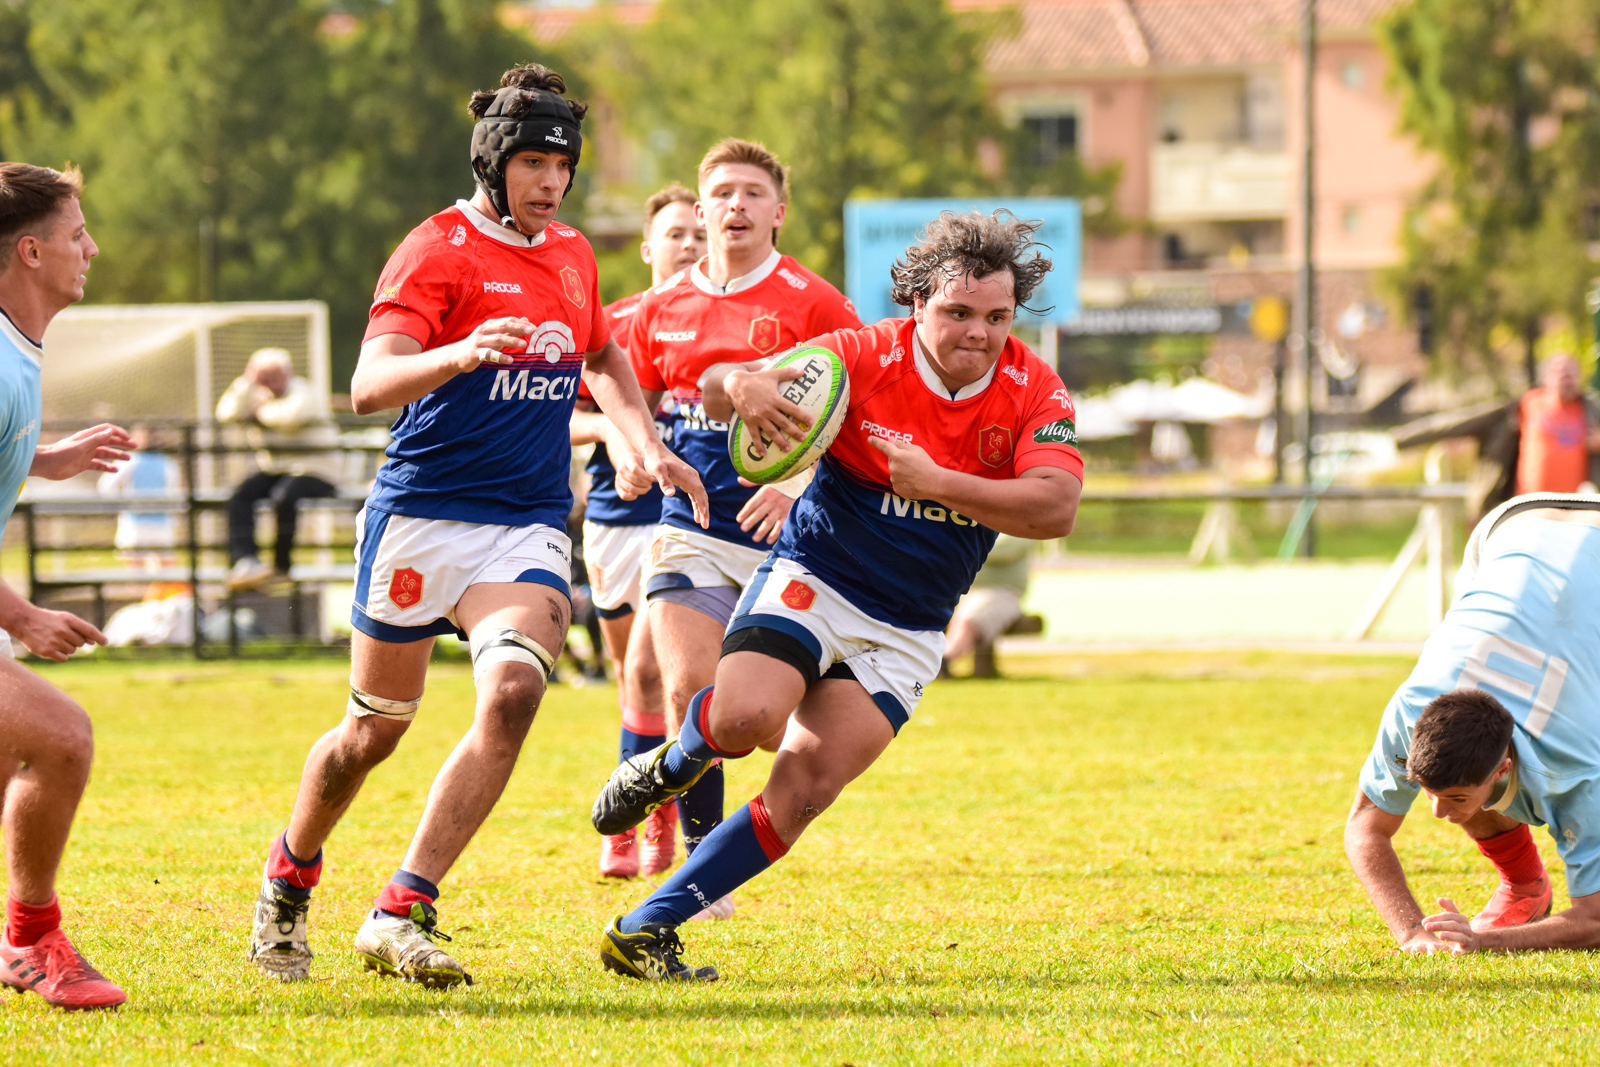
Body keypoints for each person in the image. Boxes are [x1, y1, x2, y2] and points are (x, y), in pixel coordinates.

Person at [246, 64, 706, 988]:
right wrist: (457, 351)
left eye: (562, 166)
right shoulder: (435, 251)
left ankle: (402, 906)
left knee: (511, 694)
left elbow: (606, 352)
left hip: (524, 523)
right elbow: (367, 386)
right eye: (534, 161)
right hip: (419, 516)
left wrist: (642, 439)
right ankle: (290, 876)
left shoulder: (573, 253)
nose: (551, 182)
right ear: (494, 164)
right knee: (371, 733)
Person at [591, 210, 1083, 980]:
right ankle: (674, 759)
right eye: (956, 312)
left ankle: (649, 925)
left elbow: (1055, 508)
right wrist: (744, 383)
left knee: (806, 788)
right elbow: (721, 388)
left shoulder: (1034, 389)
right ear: (916, 302)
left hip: (910, 627)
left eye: (995, 316)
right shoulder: (862, 353)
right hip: (814, 577)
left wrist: (936, 482)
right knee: (746, 717)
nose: (977, 334)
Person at [622, 139, 861, 909]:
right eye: (721, 192)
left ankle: (682, 788)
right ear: (699, 210)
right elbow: (622, 402)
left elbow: (863, 411)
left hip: (781, 537)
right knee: (690, 680)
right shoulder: (659, 309)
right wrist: (641, 452)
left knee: (750, 720)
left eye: (753, 193)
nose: (736, 205)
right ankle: (700, 858)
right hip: (686, 521)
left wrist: (798, 491)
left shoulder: (814, 301)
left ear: (779, 212)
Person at [1345, 492, 1600, 954]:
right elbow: (1365, 826)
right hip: (1511, 526)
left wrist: (1484, 941)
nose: (1438, 814)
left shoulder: (1578, 769)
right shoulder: (1411, 711)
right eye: (1428, 792)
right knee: (1459, 772)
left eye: (1454, 799)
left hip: (1546, 531)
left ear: (1506, 769)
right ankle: (1525, 885)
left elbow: (1595, 921)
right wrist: (1411, 933)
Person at [0, 161, 138, 1009]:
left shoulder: (17, 350)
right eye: (76, 232)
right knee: (61, 737)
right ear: (29, 251)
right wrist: (21, 614)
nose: (92, 247)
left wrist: (46, 460)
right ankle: (33, 938)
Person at [570, 182, 705, 878]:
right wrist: (617, 436)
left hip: (679, 517)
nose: (689, 245)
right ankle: (644, 804)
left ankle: (640, 825)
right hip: (612, 516)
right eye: (676, 233)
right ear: (648, 247)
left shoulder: (720, 325)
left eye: (699, 234)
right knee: (630, 675)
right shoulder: (613, 322)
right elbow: (564, 416)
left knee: (660, 670)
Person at [215, 347, 340, 590]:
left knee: (284, 496)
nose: (270, 382)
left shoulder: (304, 391)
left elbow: (290, 418)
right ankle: (245, 560)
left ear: (288, 372)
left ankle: (281, 566)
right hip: (278, 470)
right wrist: (246, 382)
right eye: (264, 376)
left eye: (275, 374)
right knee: (240, 495)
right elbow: (225, 413)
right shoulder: (255, 392)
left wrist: (259, 412)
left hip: (318, 470)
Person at [942, 533, 1034, 674]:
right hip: (968, 595)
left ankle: (945, 659)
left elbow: (1003, 550)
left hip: (1004, 594)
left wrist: (962, 546)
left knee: (970, 619)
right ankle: (940, 662)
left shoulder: (1018, 529)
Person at [1513, 353, 1600, 497]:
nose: (1566, 374)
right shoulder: (1529, 401)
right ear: (1545, 378)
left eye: (1572, 370)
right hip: (1529, 502)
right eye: (1558, 370)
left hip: (1573, 507)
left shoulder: (1591, 409)